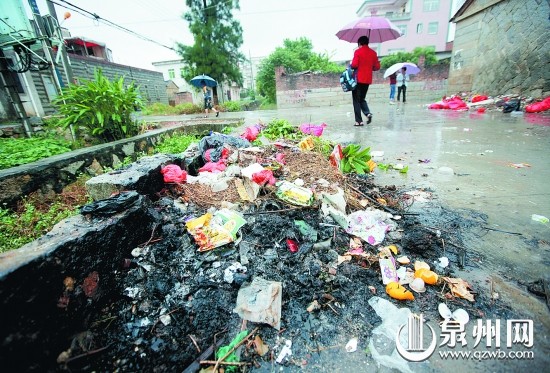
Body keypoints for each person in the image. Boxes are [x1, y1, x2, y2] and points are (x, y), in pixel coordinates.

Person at [350, 35, 380, 126]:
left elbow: (354, 65)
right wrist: (370, 67)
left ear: (360, 43)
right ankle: (367, 113)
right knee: (362, 98)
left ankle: (359, 121)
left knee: (356, 100)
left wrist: (351, 65)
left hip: (358, 80)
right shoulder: (373, 53)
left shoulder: (358, 52)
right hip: (367, 80)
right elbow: (377, 67)